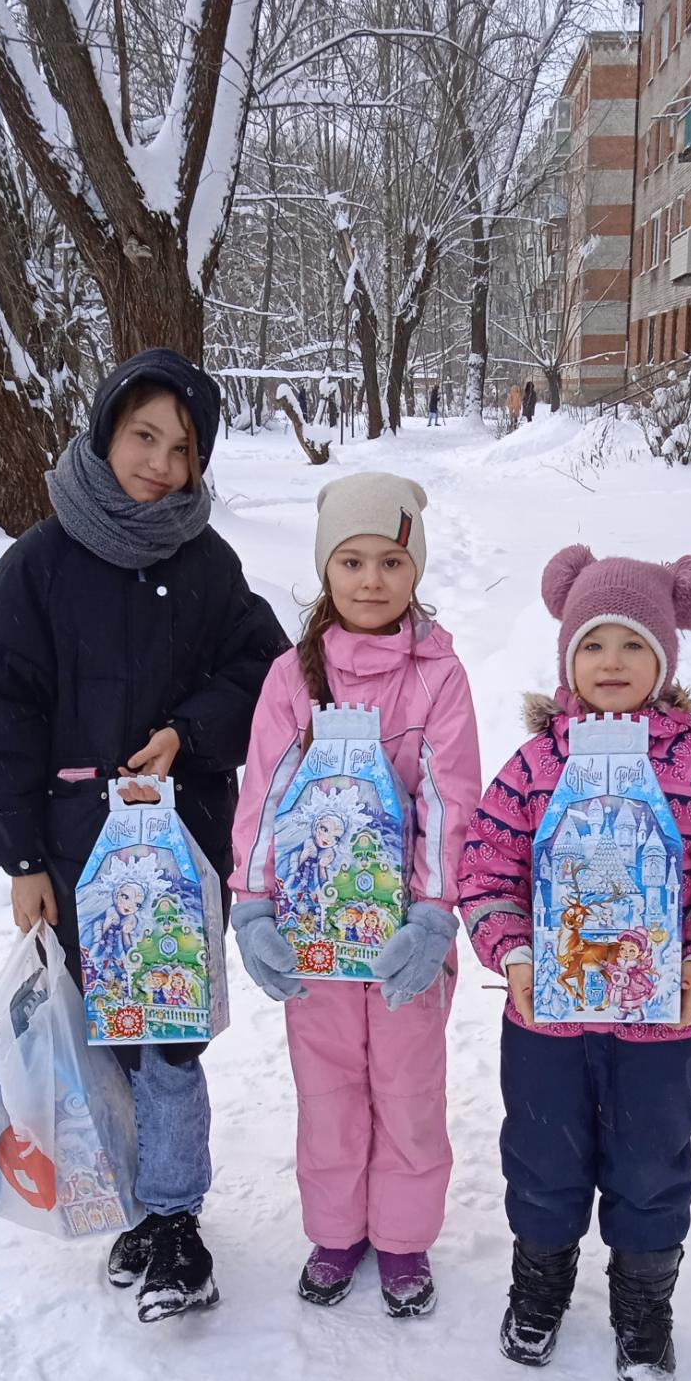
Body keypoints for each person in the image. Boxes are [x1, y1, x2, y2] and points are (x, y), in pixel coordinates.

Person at [0, 347, 289, 1323]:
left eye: (182, 449)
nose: (160, 463)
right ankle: (137, 1208)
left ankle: (177, 1222)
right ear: (106, 431)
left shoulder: (207, 564)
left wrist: (189, 731)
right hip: (73, 854)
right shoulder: (39, 565)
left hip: (180, 850)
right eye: (144, 436)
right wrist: (22, 858)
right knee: (105, 1037)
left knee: (169, 1043)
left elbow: (264, 675)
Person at [459, 545, 691, 1381]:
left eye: (634, 644)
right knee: (543, 1158)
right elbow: (485, 867)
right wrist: (514, 953)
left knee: (651, 1166)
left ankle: (643, 1303)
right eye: (593, 643)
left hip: (660, 1028)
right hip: (547, 1024)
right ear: (567, 655)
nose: (611, 661)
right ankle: (540, 1285)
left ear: (665, 658)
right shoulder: (536, 766)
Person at [231, 473, 481, 1317]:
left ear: (415, 570)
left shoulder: (439, 677)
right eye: (351, 561)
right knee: (329, 1089)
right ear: (325, 568)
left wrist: (434, 917)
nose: (371, 580)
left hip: (403, 942)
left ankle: (404, 1238)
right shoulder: (290, 679)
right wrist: (254, 904)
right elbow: (266, 792)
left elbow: (450, 800)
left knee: (408, 1091)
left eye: (390, 561)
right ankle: (336, 1230)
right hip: (316, 940)